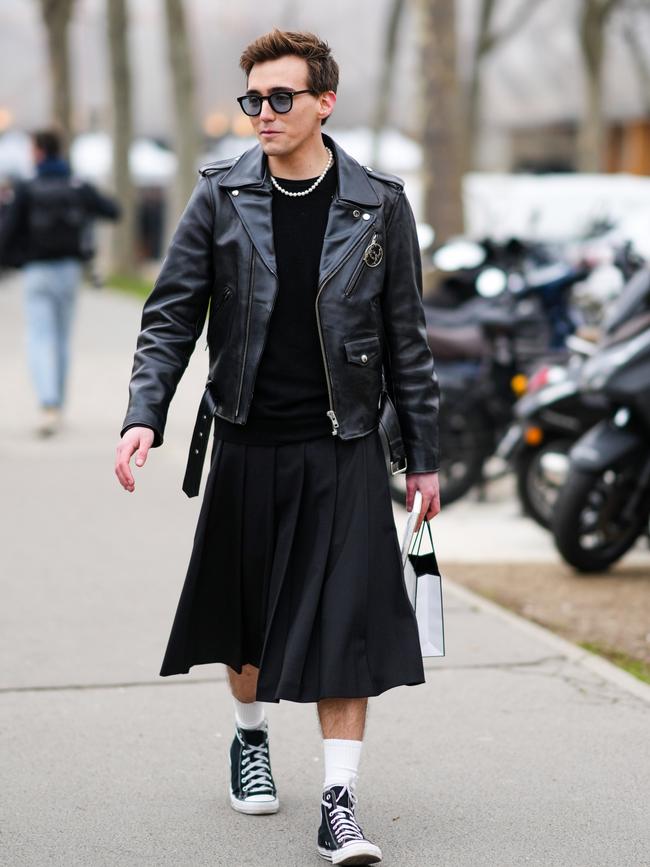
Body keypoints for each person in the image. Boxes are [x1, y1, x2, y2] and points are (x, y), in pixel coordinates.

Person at [115, 29, 440, 866]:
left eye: (279, 98)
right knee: (249, 629)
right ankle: (249, 732)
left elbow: (407, 338)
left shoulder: (377, 203)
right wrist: (142, 414)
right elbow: (172, 315)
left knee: (347, 627)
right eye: (253, 98)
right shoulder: (220, 195)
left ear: (324, 103)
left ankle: (338, 802)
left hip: (346, 446)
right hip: (249, 441)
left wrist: (425, 459)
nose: (261, 112)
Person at [0, 129, 121, 436]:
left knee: (40, 337)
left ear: (38, 152)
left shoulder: (27, 188)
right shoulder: (77, 185)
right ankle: (59, 404)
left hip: (37, 270)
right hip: (69, 270)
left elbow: (7, 230)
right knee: (62, 338)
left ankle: (47, 402)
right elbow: (113, 210)